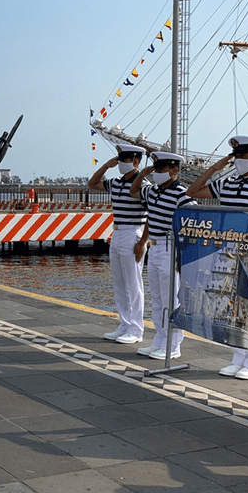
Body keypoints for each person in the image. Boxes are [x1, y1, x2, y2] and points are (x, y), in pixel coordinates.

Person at [187, 135, 248, 380]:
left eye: (245, 155)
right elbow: (192, 191)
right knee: (231, 308)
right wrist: (216, 168)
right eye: (237, 155)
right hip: (227, 251)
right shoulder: (226, 183)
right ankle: (238, 357)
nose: (240, 160)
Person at [129, 152, 195, 359]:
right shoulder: (153, 191)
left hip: (171, 247)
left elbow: (190, 226)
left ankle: (173, 345)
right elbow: (134, 191)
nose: (157, 173)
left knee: (171, 300)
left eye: (161, 169)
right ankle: (159, 339)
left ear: (174, 170)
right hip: (155, 247)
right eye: (156, 169)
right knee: (157, 298)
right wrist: (143, 174)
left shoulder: (182, 195)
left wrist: (182, 256)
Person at [88, 144, 148, 345]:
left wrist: (142, 241)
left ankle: (136, 329)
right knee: (120, 283)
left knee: (134, 284)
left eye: (125, 160)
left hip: (133, 233)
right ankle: (124, 324)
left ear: (136, 162)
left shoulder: (143, 186)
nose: (121, 164)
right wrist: (106, 165)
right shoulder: (115, 183)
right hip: (117, 232)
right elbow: (92, 183)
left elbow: (152, 214)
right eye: (120, 160)